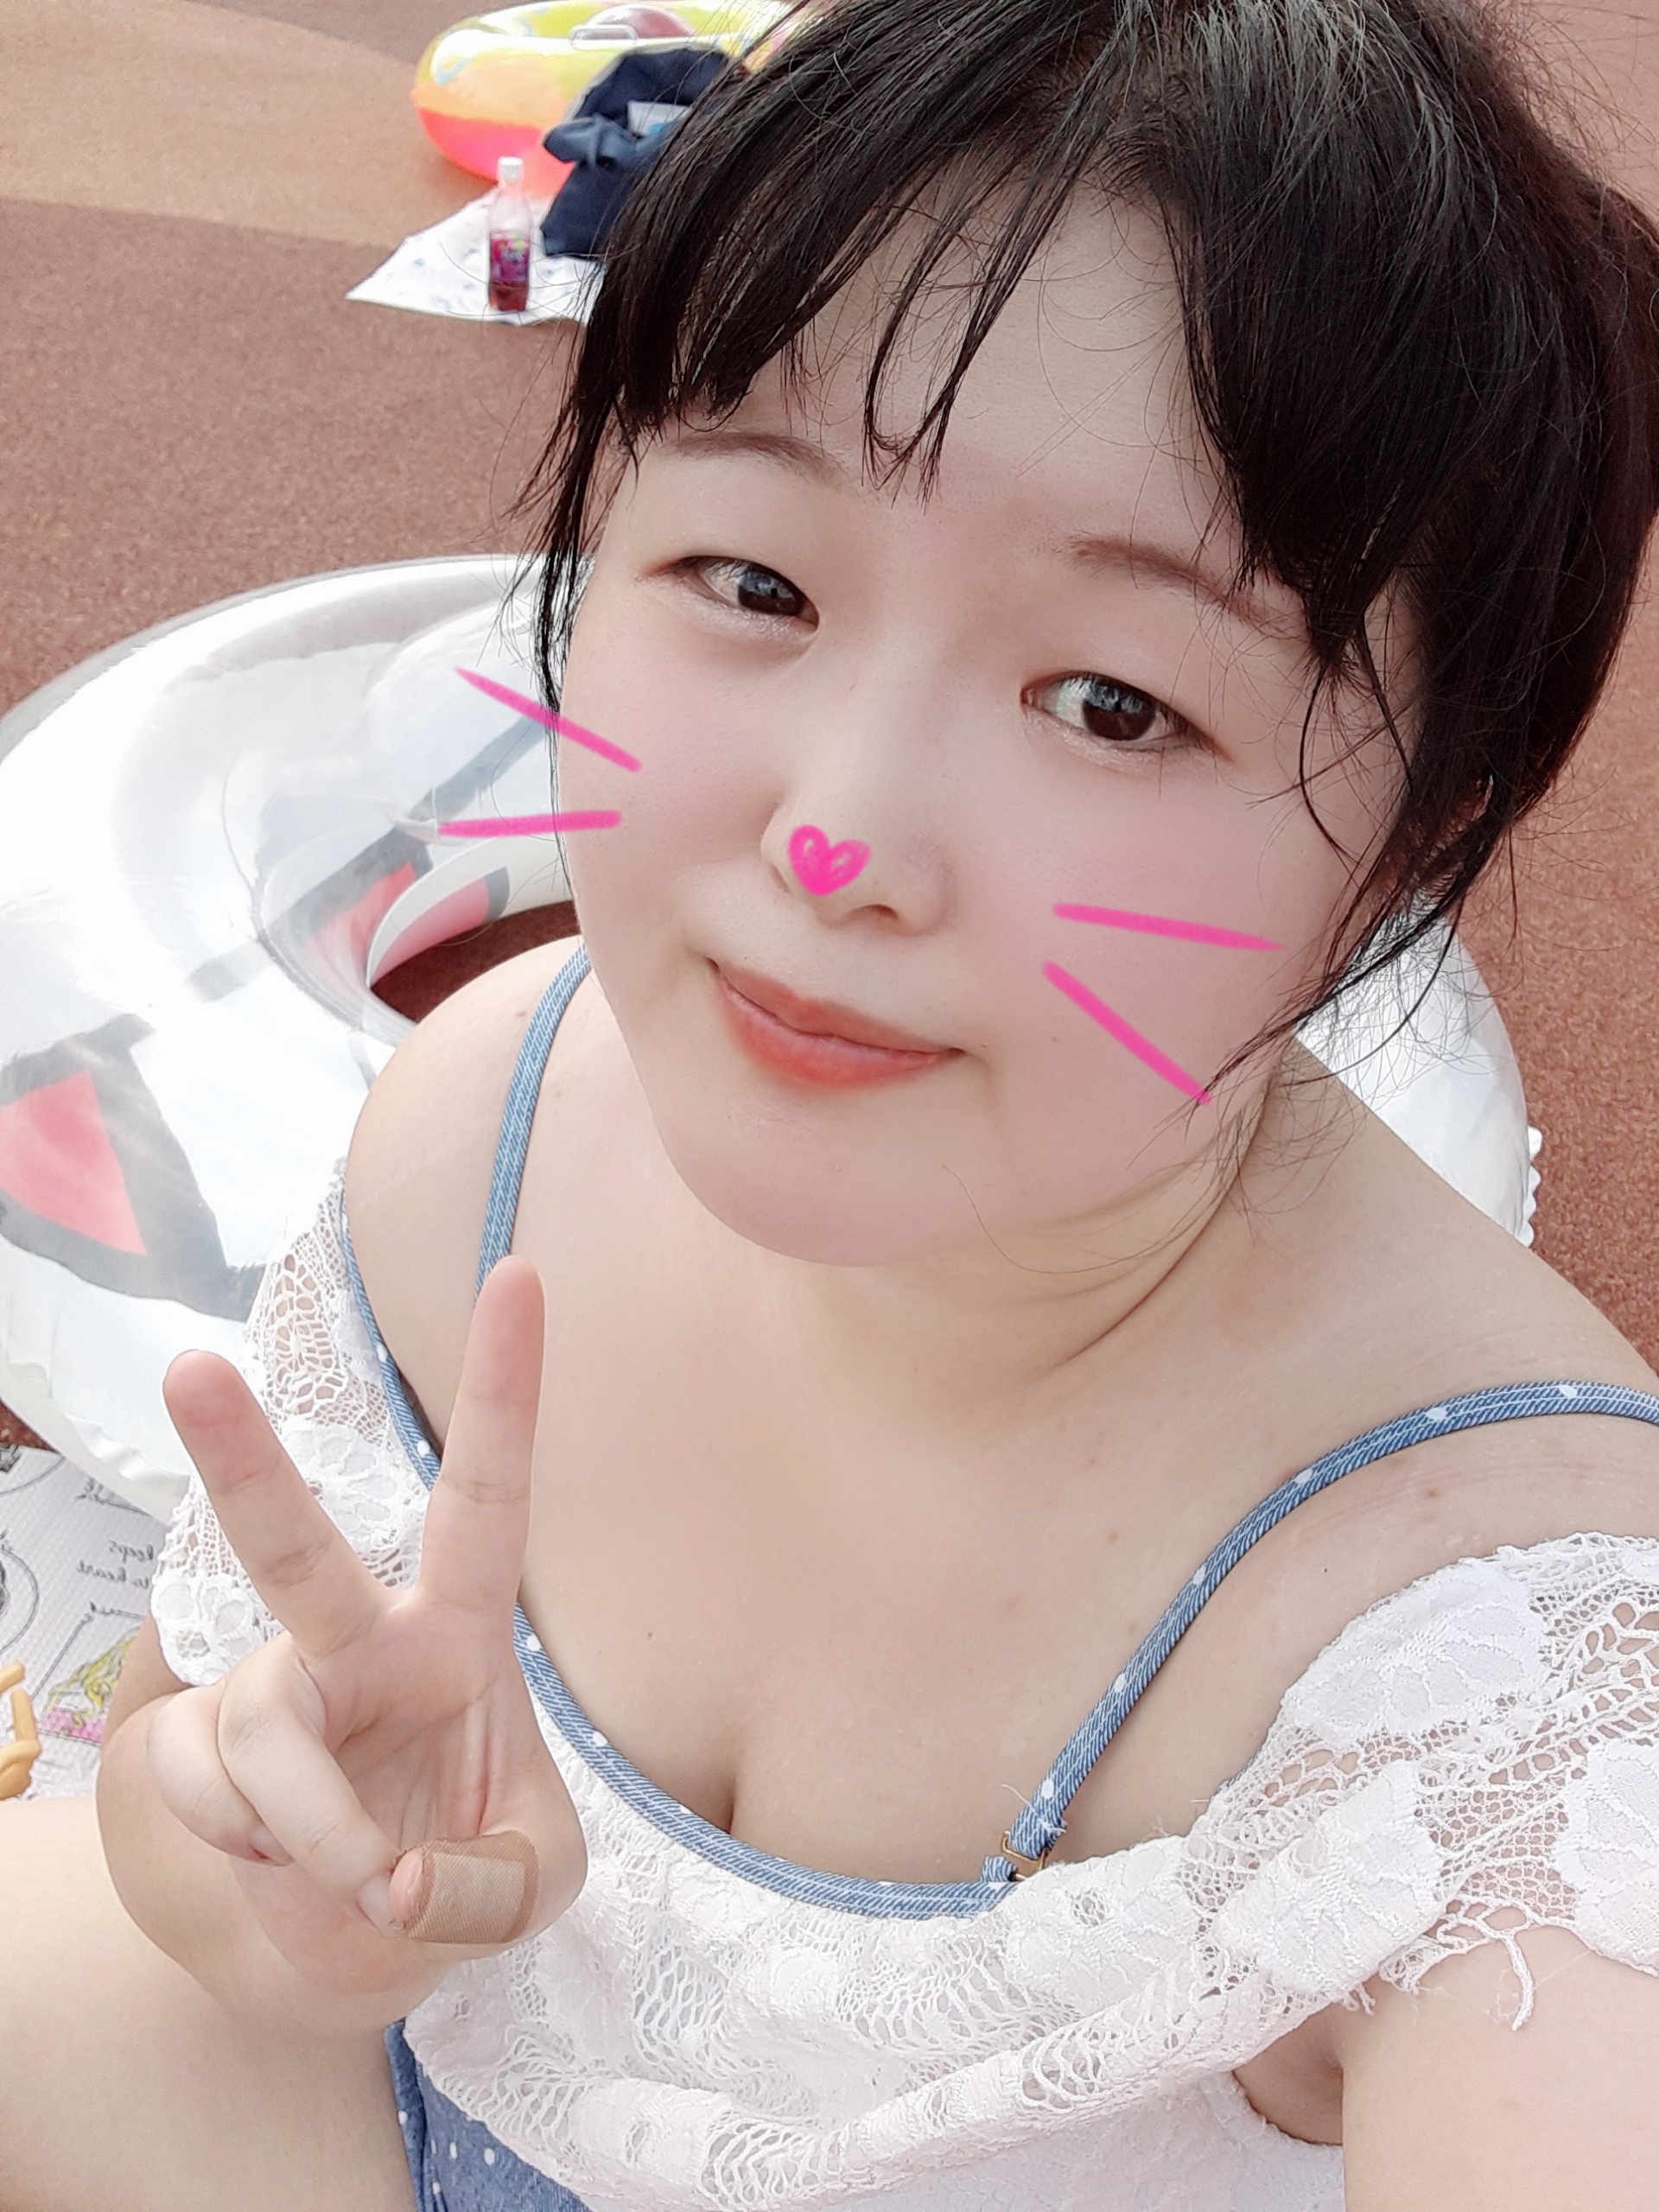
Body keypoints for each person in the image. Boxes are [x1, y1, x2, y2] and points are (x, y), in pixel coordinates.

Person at [5, 0, 1659, 2202]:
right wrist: (258, 1874)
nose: (839, 835)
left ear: (1416, 839)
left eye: (1113, 701)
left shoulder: (1520, 1679)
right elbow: (171, 1814)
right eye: (756, 579)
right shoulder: (492, 1117)